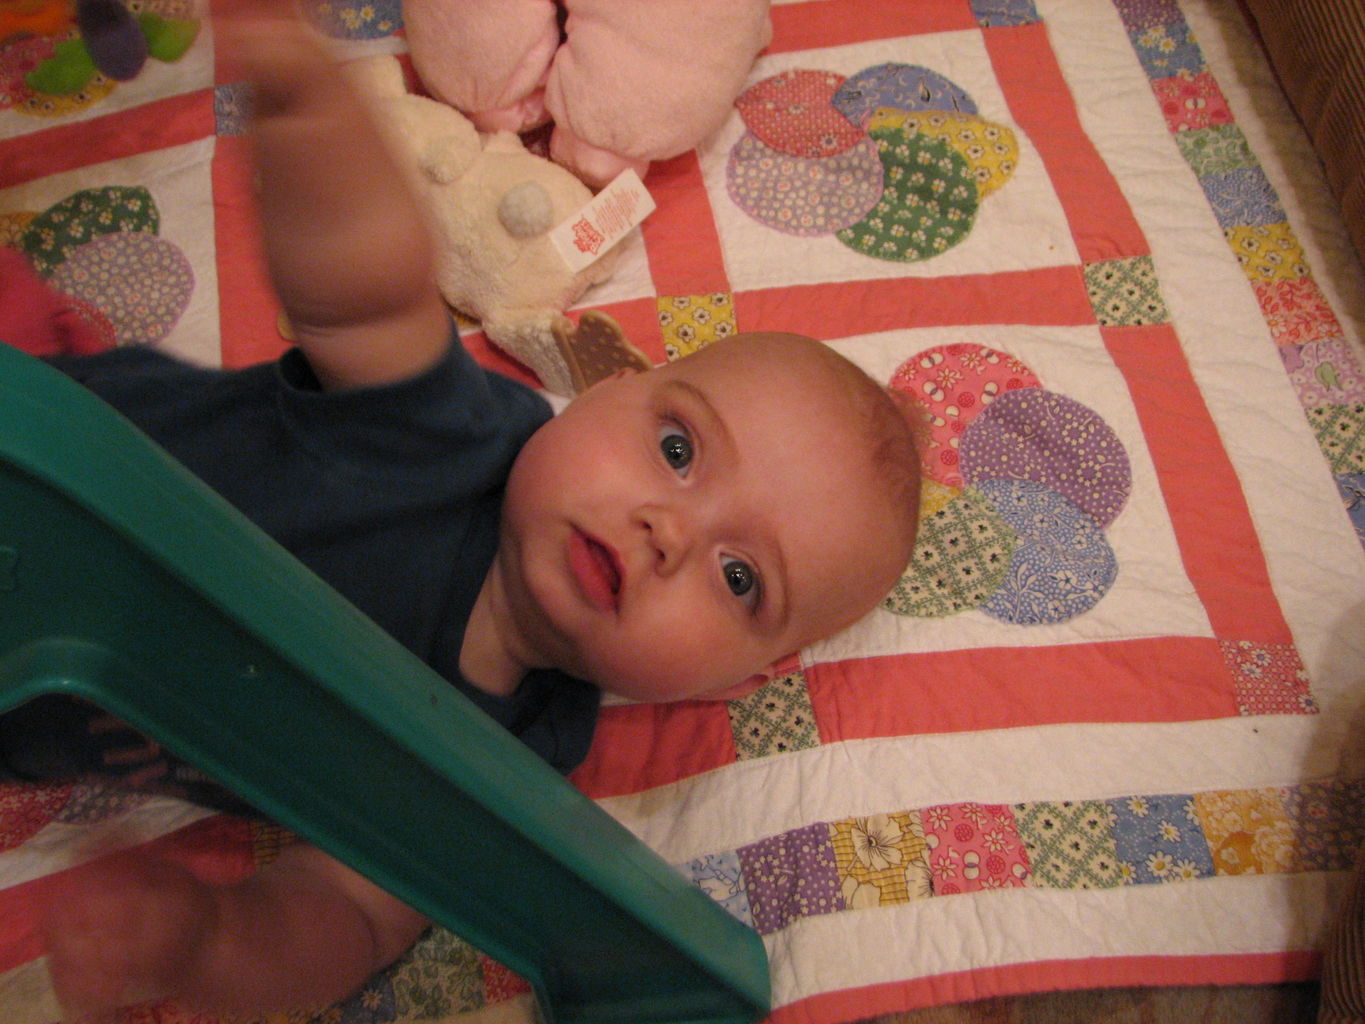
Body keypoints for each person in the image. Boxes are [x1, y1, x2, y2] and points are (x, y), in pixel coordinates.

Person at [4, 0, 922, 1017]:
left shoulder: (513, 765)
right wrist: (317, 118)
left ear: (737, 681)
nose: (672, 531)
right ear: (605, 385)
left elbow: (347, 911)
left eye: (740, 578)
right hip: (30, 446)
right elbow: (364, 292)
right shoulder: (453, 439)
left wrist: (210, 950)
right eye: (677, 449)